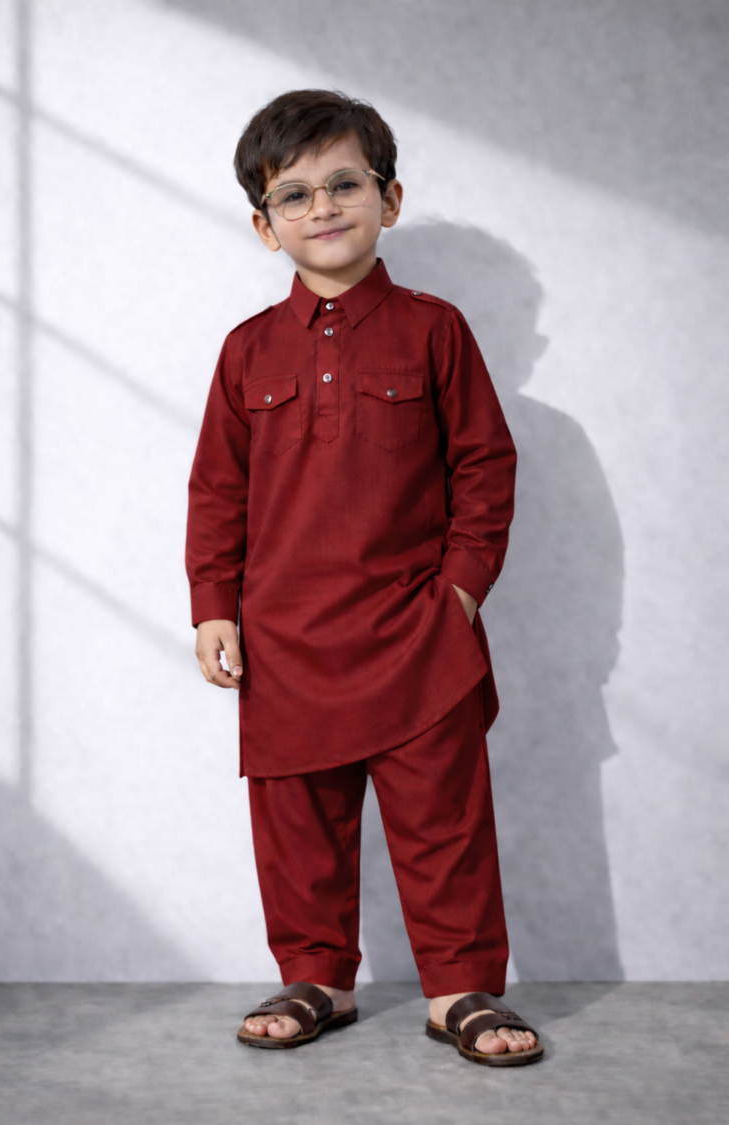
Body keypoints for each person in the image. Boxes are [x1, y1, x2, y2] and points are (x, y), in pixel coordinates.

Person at [186, 89, 542, 1065]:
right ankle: (318, 980)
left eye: (345, 184)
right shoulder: (247, 351)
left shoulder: (435, 330)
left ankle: (461, 989)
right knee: (297, 824)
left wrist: (459, 593)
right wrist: (215, 609)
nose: (323, 207)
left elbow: (485, 466)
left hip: (417, 634)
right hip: (284, 639)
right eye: (294, 195)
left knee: (443, 819)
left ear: (390, 199)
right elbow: (217, 491)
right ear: (265, 227)